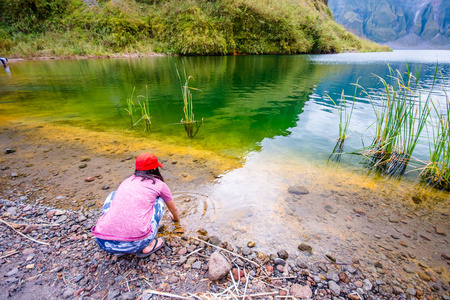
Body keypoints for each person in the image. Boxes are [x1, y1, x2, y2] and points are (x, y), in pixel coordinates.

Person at [91, 153, 180, 257]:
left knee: (113, 194)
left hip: (104, 242)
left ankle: (117, 243)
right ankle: (149, 245)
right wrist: (176, 219)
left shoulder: (127, 181)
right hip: (137, 244)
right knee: (159, 199)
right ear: (155, 168)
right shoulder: (159, 184)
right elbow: (173, 208)